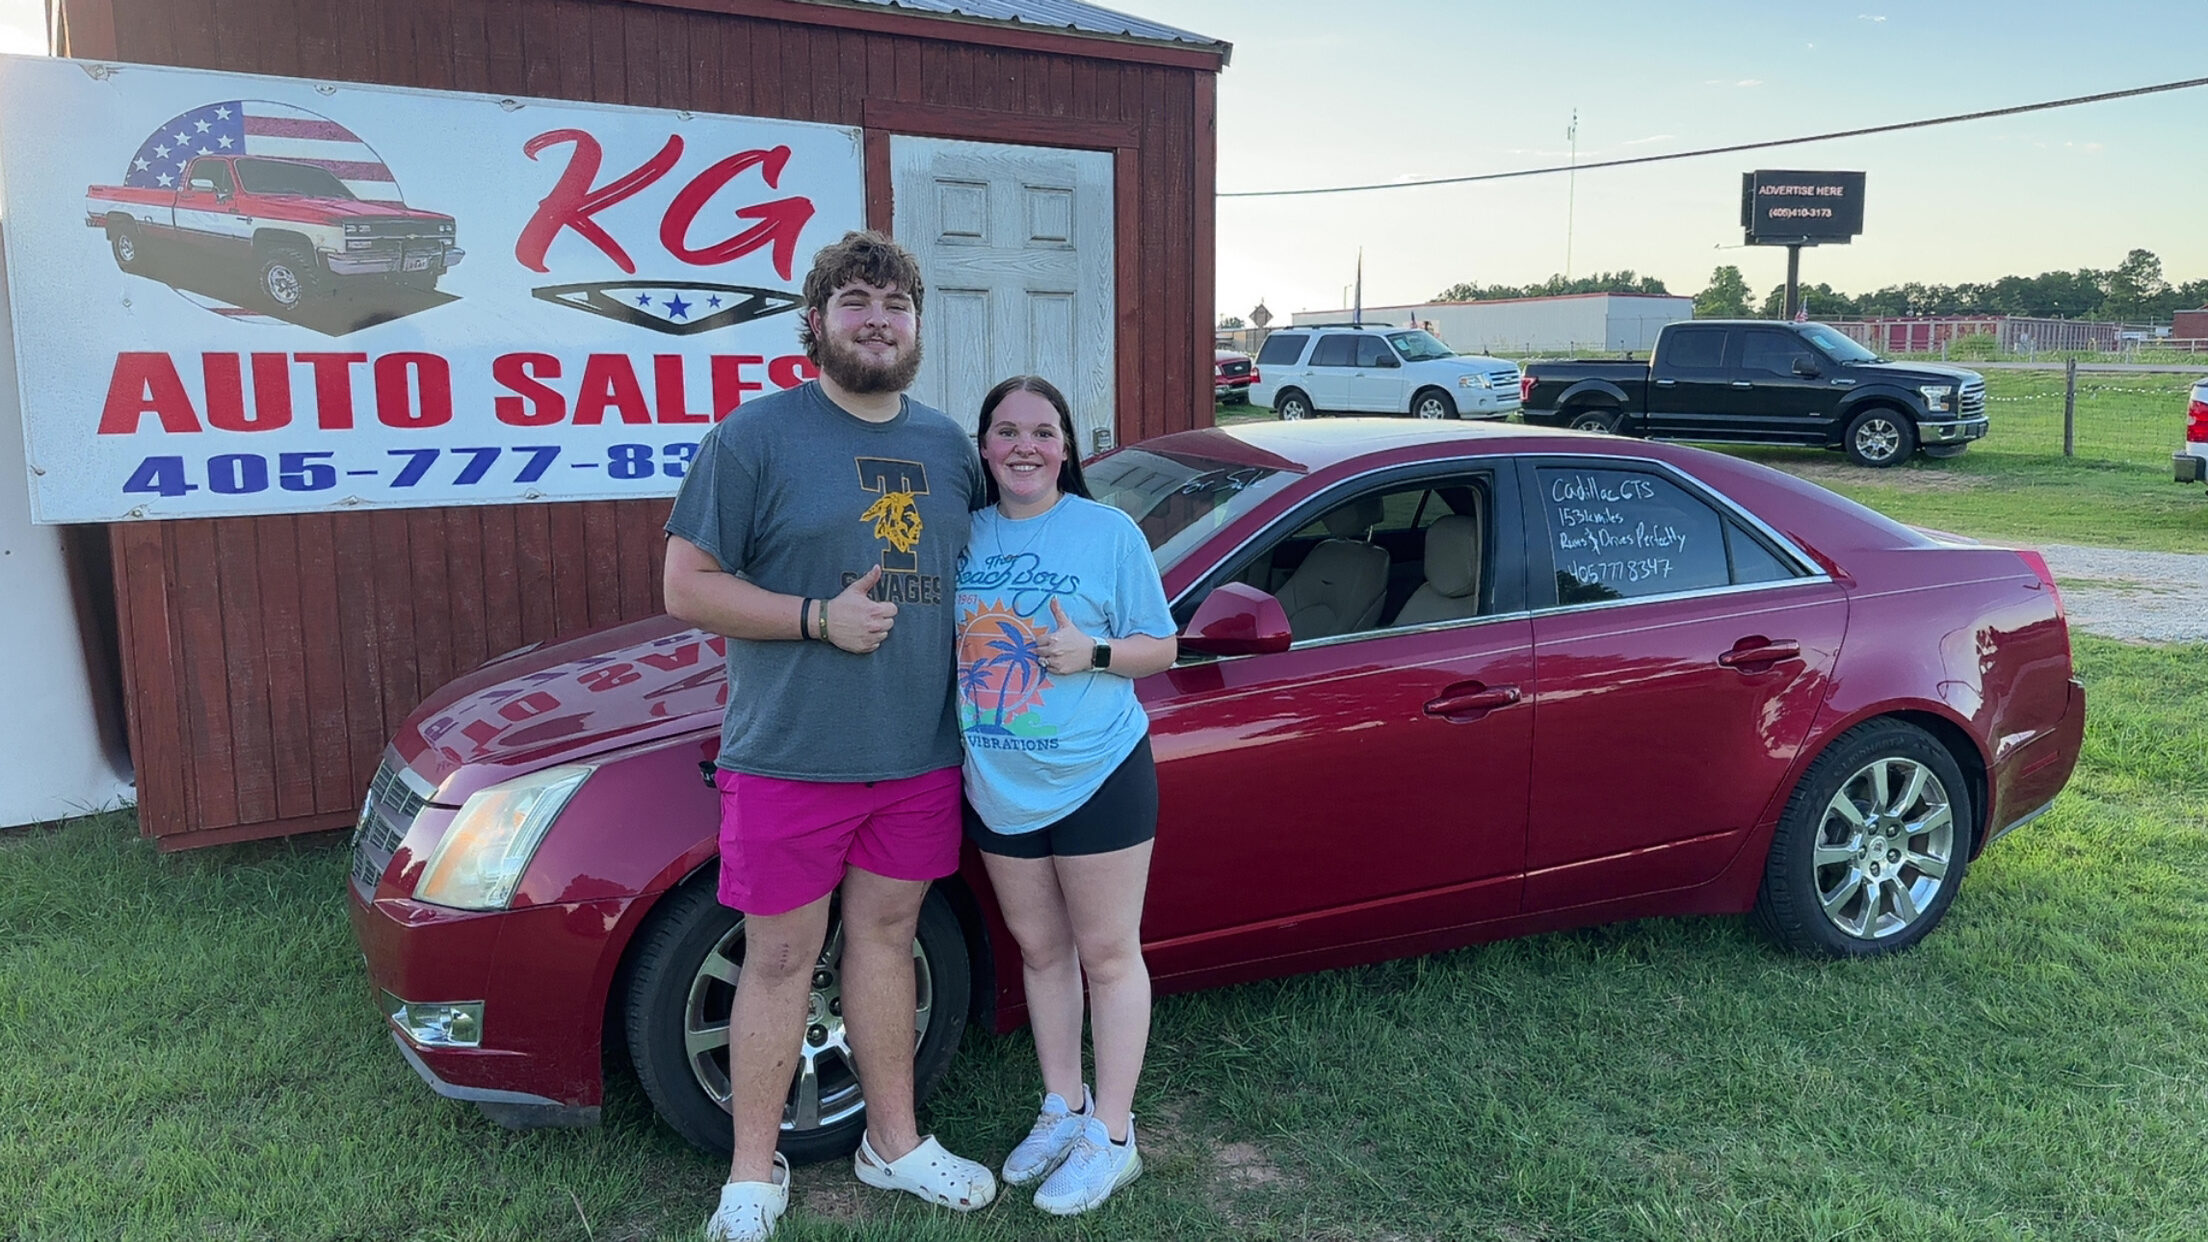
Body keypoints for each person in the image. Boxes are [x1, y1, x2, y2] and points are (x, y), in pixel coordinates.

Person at [663, 229, 997, 1242]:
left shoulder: (950, 448)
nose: (877, 321)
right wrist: (817, 618)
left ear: (917, 328)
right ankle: (752, 1175)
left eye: (896, 306)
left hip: (918, 756)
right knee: (778, 959)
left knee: (888, 942)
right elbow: (687, 586)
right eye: (856, 302)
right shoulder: (754, 437)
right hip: (791, 755)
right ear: (816, 323)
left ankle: (893, 1143)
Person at [952, 375, 1178, 1215]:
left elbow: (1162, 646)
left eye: (1043, 432)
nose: (1025, 447)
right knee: (1041, 952)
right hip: (997, 780)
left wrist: (1094, 654)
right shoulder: (963, 535)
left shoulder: (1108, 532)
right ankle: (1063, 1106)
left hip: (1098, 774)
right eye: (1007, 432)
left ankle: (1112, 1138)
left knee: (1108, 954)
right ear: (984, 447)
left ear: (1067, 447)